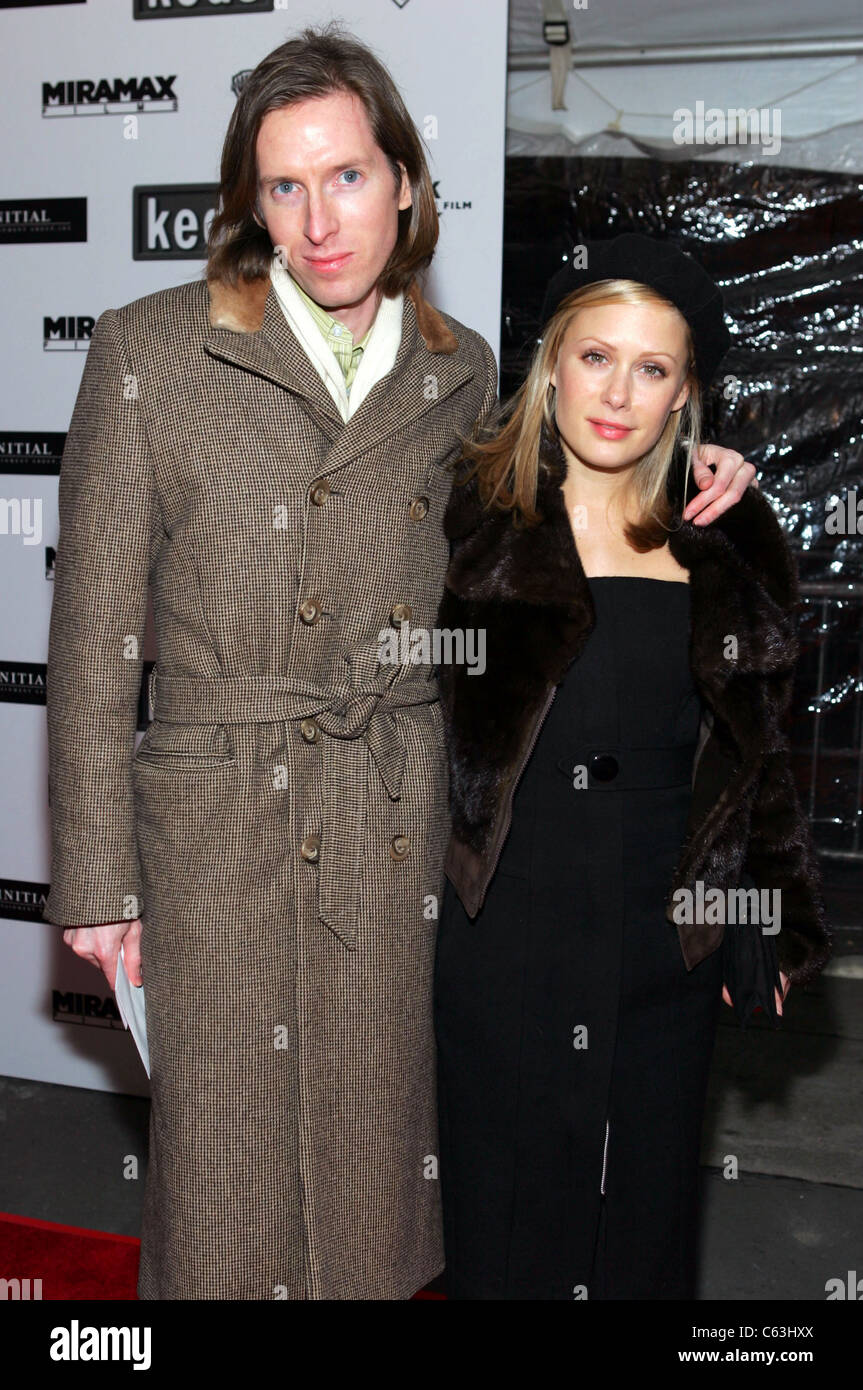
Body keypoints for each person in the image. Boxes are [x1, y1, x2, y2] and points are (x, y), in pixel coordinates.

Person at [43, 24, 758, 1301]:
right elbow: (95, 631)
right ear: (248, 202)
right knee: (225, 1185)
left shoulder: (459, 370)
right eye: (284, 184)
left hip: (391, 817)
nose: (320, 220)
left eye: (349, 176)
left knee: (379, 1183)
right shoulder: (150, 352)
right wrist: (98, 880)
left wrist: (709, 465)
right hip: (216, 826)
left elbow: (565, 498)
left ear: (408, 184)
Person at [434, 233, 832, 1301]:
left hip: (666, 938)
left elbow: (757, 747)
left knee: (642, 1232)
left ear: (683, 393)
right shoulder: (469, 513)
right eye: (594, 357)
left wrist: (761, 901)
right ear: (551, 363)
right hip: (500, 933)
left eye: (650, 369)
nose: (616, 393)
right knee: (504, 1226)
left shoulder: (725, 533)